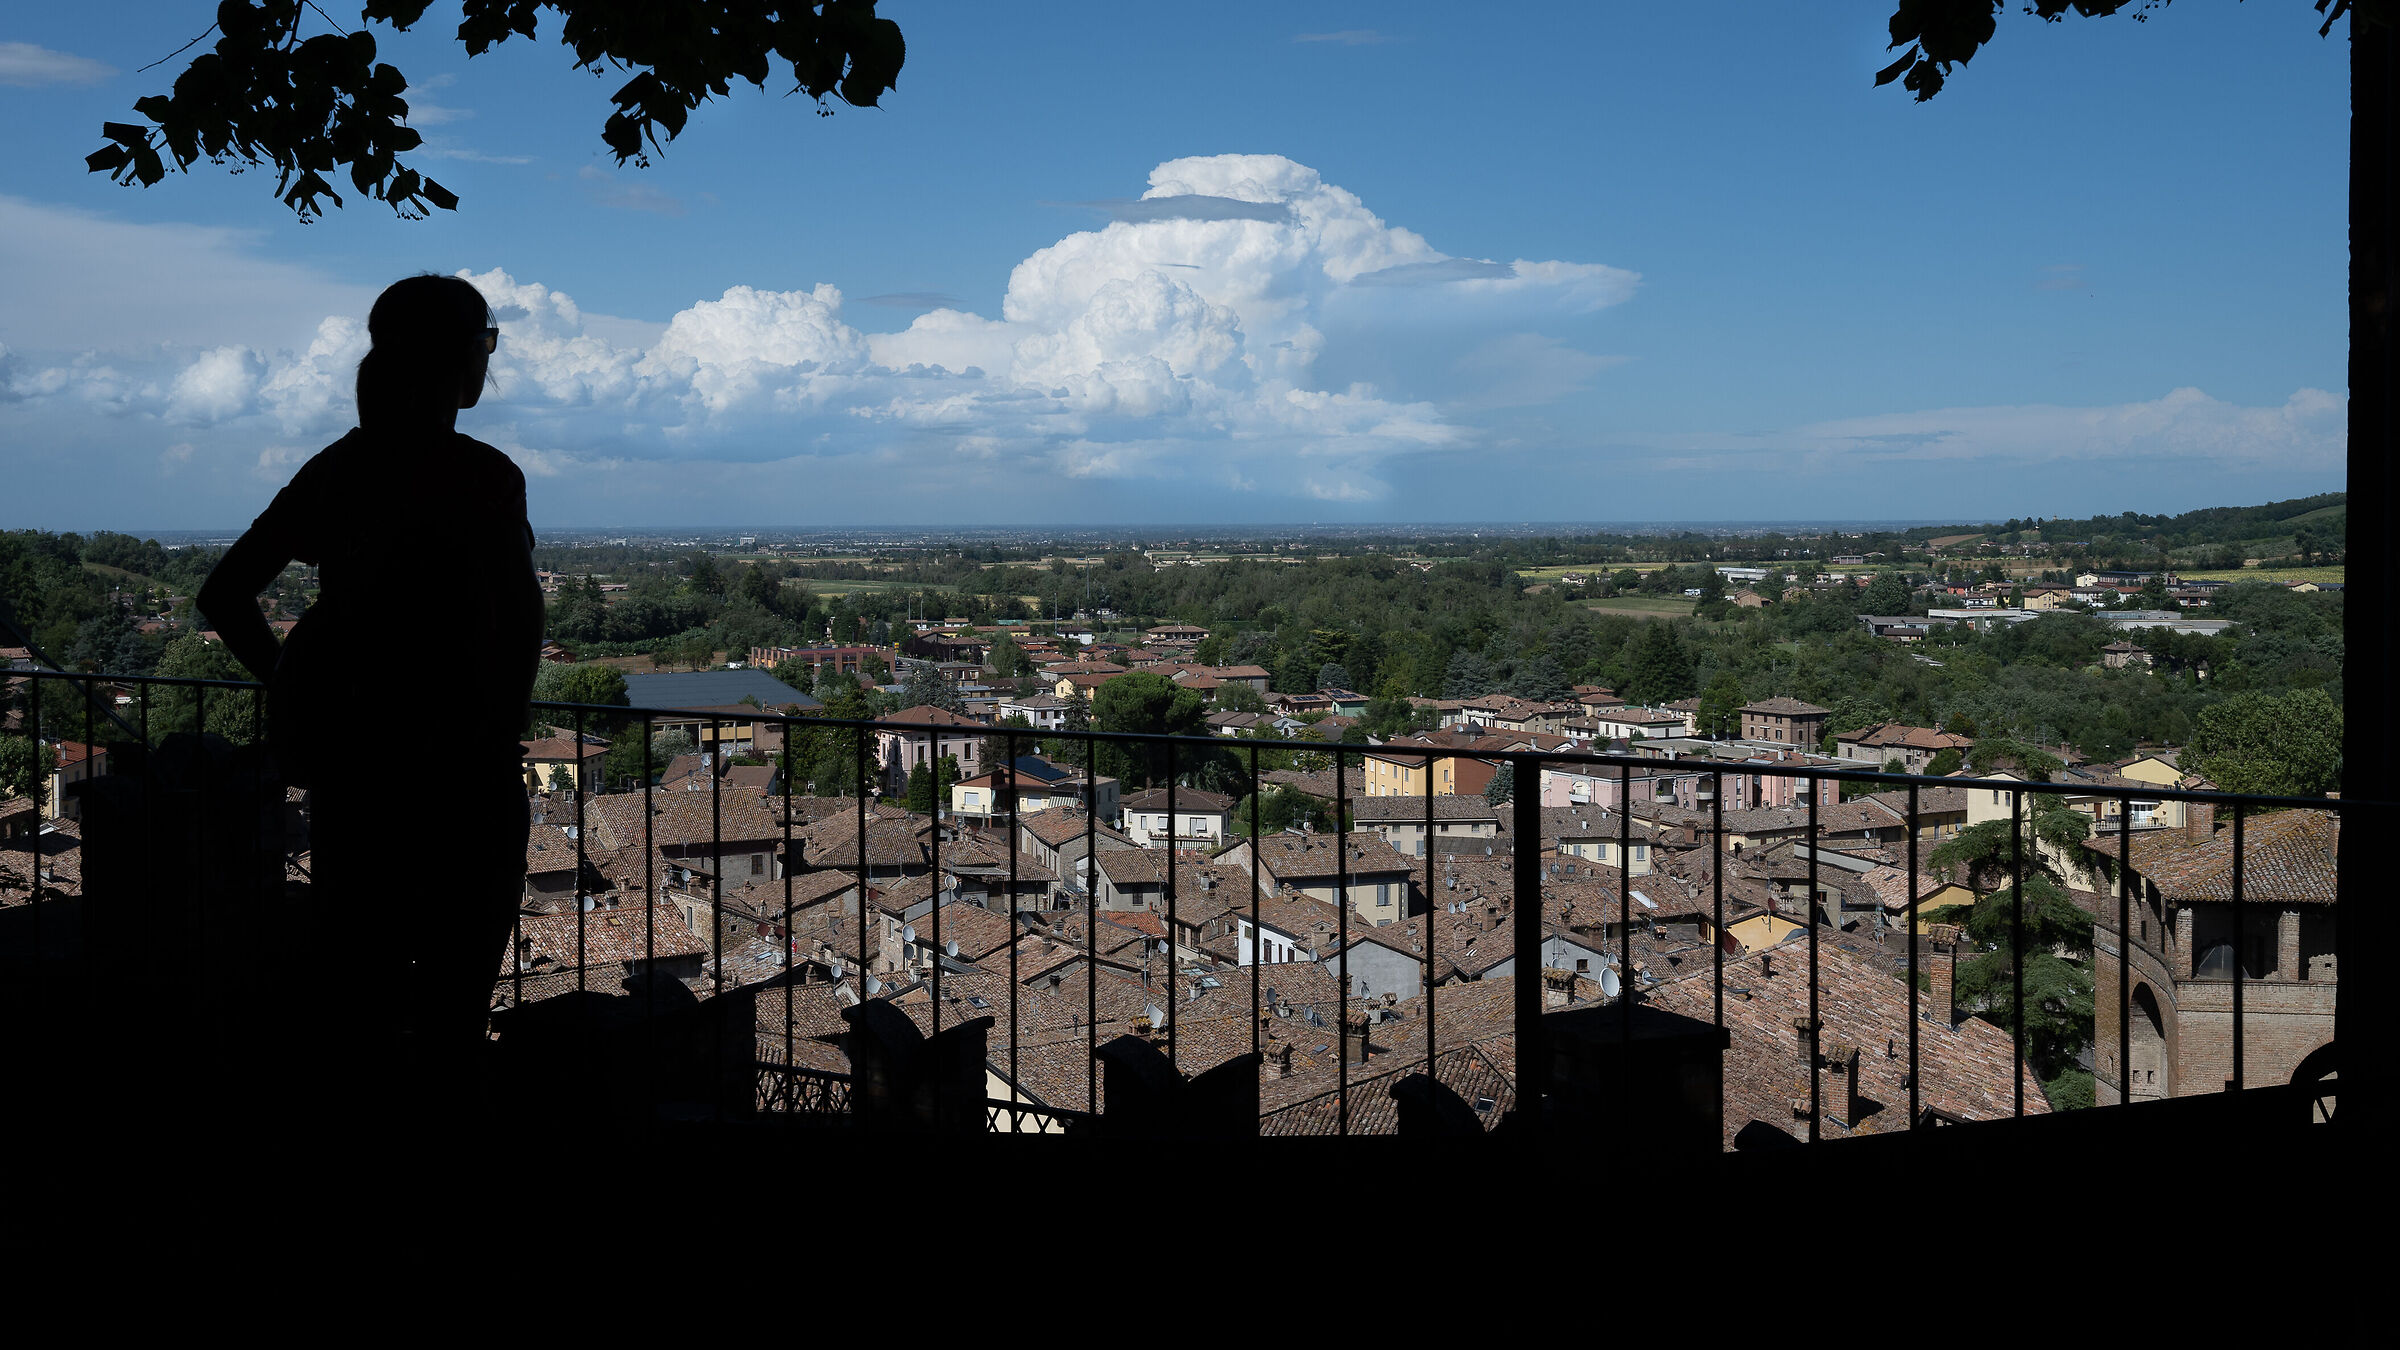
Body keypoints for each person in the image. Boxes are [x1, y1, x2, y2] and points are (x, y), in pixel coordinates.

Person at [198, 274, 543, 1111]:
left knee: (362, 984)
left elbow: (225, 594)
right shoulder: (484, 476)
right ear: (462, 357)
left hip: (359, 769)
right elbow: (515, 624)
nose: (488, 361)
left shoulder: (341, 470)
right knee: (456, 997)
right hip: (462, 767)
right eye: (486, 345)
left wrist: (292, 681)